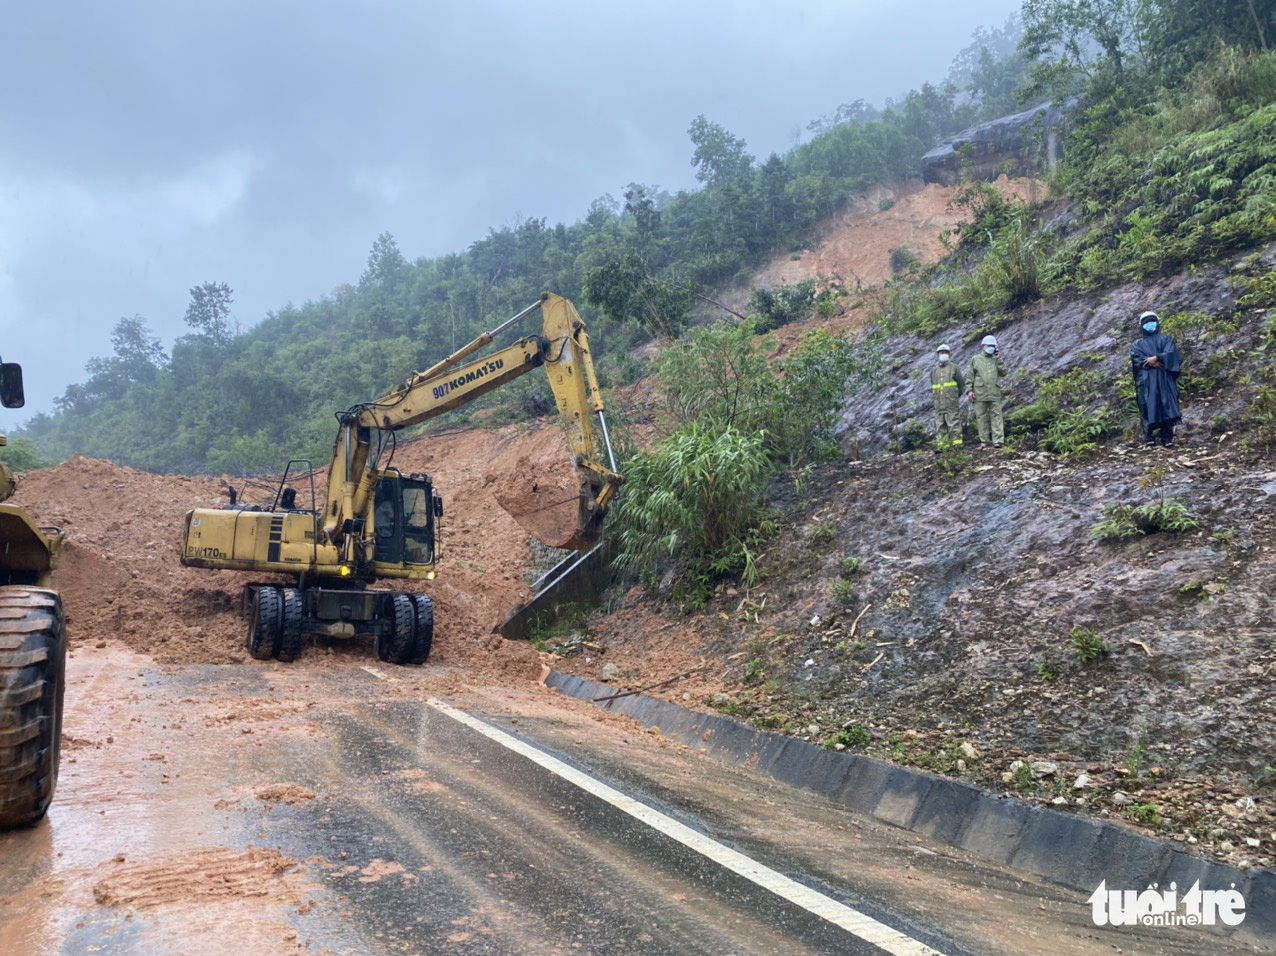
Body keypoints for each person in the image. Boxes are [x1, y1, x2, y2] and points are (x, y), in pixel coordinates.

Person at [1130, 311, 1182, 447]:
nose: (1149, 324)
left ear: (1157, 323)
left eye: (1152, 321)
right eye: (1146, 322)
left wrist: (1157, 358)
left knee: (1167, 404)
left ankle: (1167, 437)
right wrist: (1154, 361)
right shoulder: (1137, 344)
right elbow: (1137, 358)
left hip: (1164, 378)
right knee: (1146, 405)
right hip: (1146, 380)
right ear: (1141, 326)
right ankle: (1149, 437)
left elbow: (1171, 353)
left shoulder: (1166, 339)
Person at [968, 334, 1009, 448]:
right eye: (989, 345)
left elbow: (1004, 373)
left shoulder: (996, 359)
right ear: (983, 346)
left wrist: (998, 359)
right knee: (981, 417)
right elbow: (970, 377)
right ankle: (984, 441)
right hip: (979, 393)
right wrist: (969, 391)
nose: (991, 347)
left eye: (993, 346)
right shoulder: (975, 359)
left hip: (994, 392)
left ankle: (998, 440)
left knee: (996, 416)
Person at [930, 343, 965, 451]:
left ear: (949, 354)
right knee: (940, 425)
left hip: (951, 403)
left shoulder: (954, 368)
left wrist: (954, 397)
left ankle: (957, 445)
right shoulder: (934, 371)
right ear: (938, 354)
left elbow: (961, 385)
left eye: (945, 352)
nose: (943, 354)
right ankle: (943, 447)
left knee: (954, 424)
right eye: (941, 353)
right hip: (939, 403)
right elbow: (933, 385)